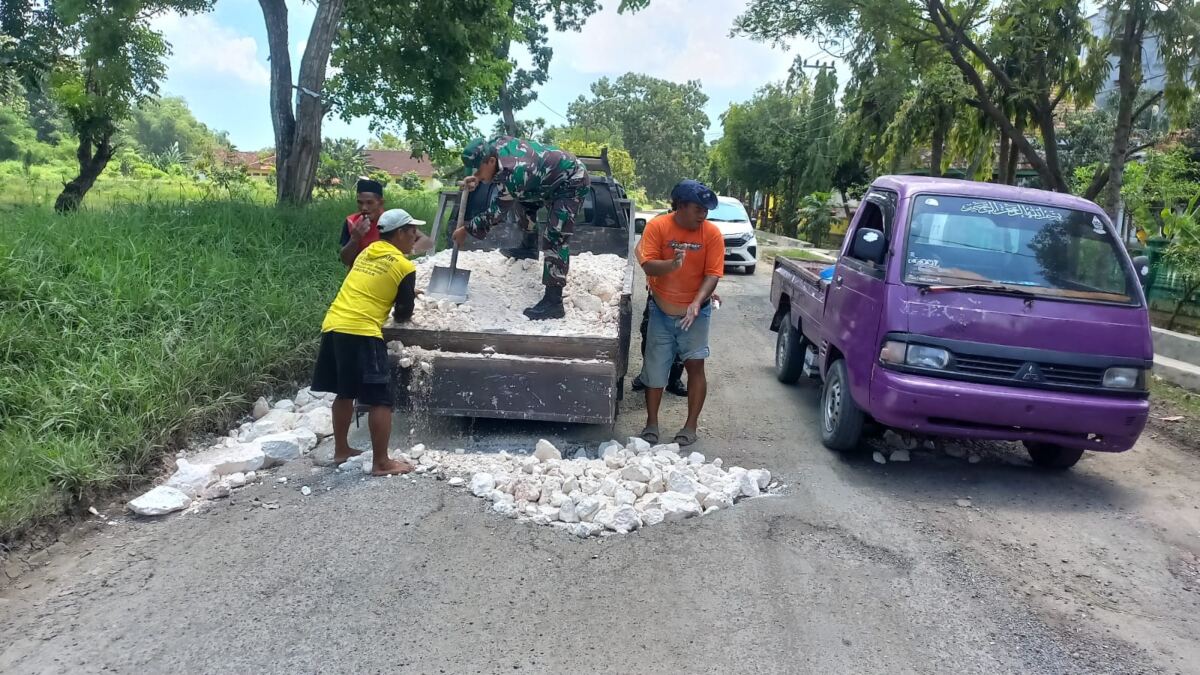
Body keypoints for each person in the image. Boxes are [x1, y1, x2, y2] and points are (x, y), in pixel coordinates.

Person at [313, 209, 425, 475]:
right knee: (380, 399)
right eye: (412, 231)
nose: (416, 236)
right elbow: (403, 313)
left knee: (345, 390)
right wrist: (407, 294)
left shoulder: (367, 252)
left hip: (334, 323)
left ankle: (341, 450)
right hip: (362, 330)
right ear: (398, 233)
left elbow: (372, 281)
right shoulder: (404, 266)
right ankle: (381, 462)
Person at [452, 135, 590, 320]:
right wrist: (478, 178)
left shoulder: (515, 174)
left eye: (478, 170)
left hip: (571, 180)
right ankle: (529, 248)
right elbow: (494, 175)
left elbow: (495, 213)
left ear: (491, 160)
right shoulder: (492, 147)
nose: (475, 174)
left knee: (555, 235)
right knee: (523, 204)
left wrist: (466, 230)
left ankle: (553, 302)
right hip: (540, 179)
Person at [636, 180, 724, 447]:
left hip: (696, 314)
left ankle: (690, 426)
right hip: (661, 311)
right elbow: (649, 266)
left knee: (695, 365)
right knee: (655, 368)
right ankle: (651, 423)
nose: (703, 215)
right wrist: (672, 265)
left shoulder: (711, 234)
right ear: (680, 206)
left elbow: (712, 274)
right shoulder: (658, 226)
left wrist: (697, 302)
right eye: (698, 209)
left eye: (706, 210)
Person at [339, 178, 431, 267]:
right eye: (360, 203)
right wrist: (355, 238)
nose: (364, 208)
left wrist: (405, 254)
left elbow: (427, 241)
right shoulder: (351, 222)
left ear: (381, 202)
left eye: (370, 203)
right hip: (359, 276)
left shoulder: (392, 220)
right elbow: (345, 261)